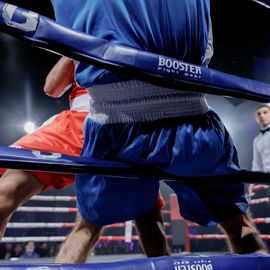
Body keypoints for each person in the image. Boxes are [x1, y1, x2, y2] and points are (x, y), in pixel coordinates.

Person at [51, 0, 267, 256]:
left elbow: (53, 83)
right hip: (190, 116)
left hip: (114, 123)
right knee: (237, 224)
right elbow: (205, 45)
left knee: (87, 228)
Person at [0, 56, 169, 262]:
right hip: (77, 121)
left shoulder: (141, 31)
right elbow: (51, 87)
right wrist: (74, 45)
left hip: (126, 125)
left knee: (146, 221)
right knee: (7, 189)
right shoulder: (82, 29)